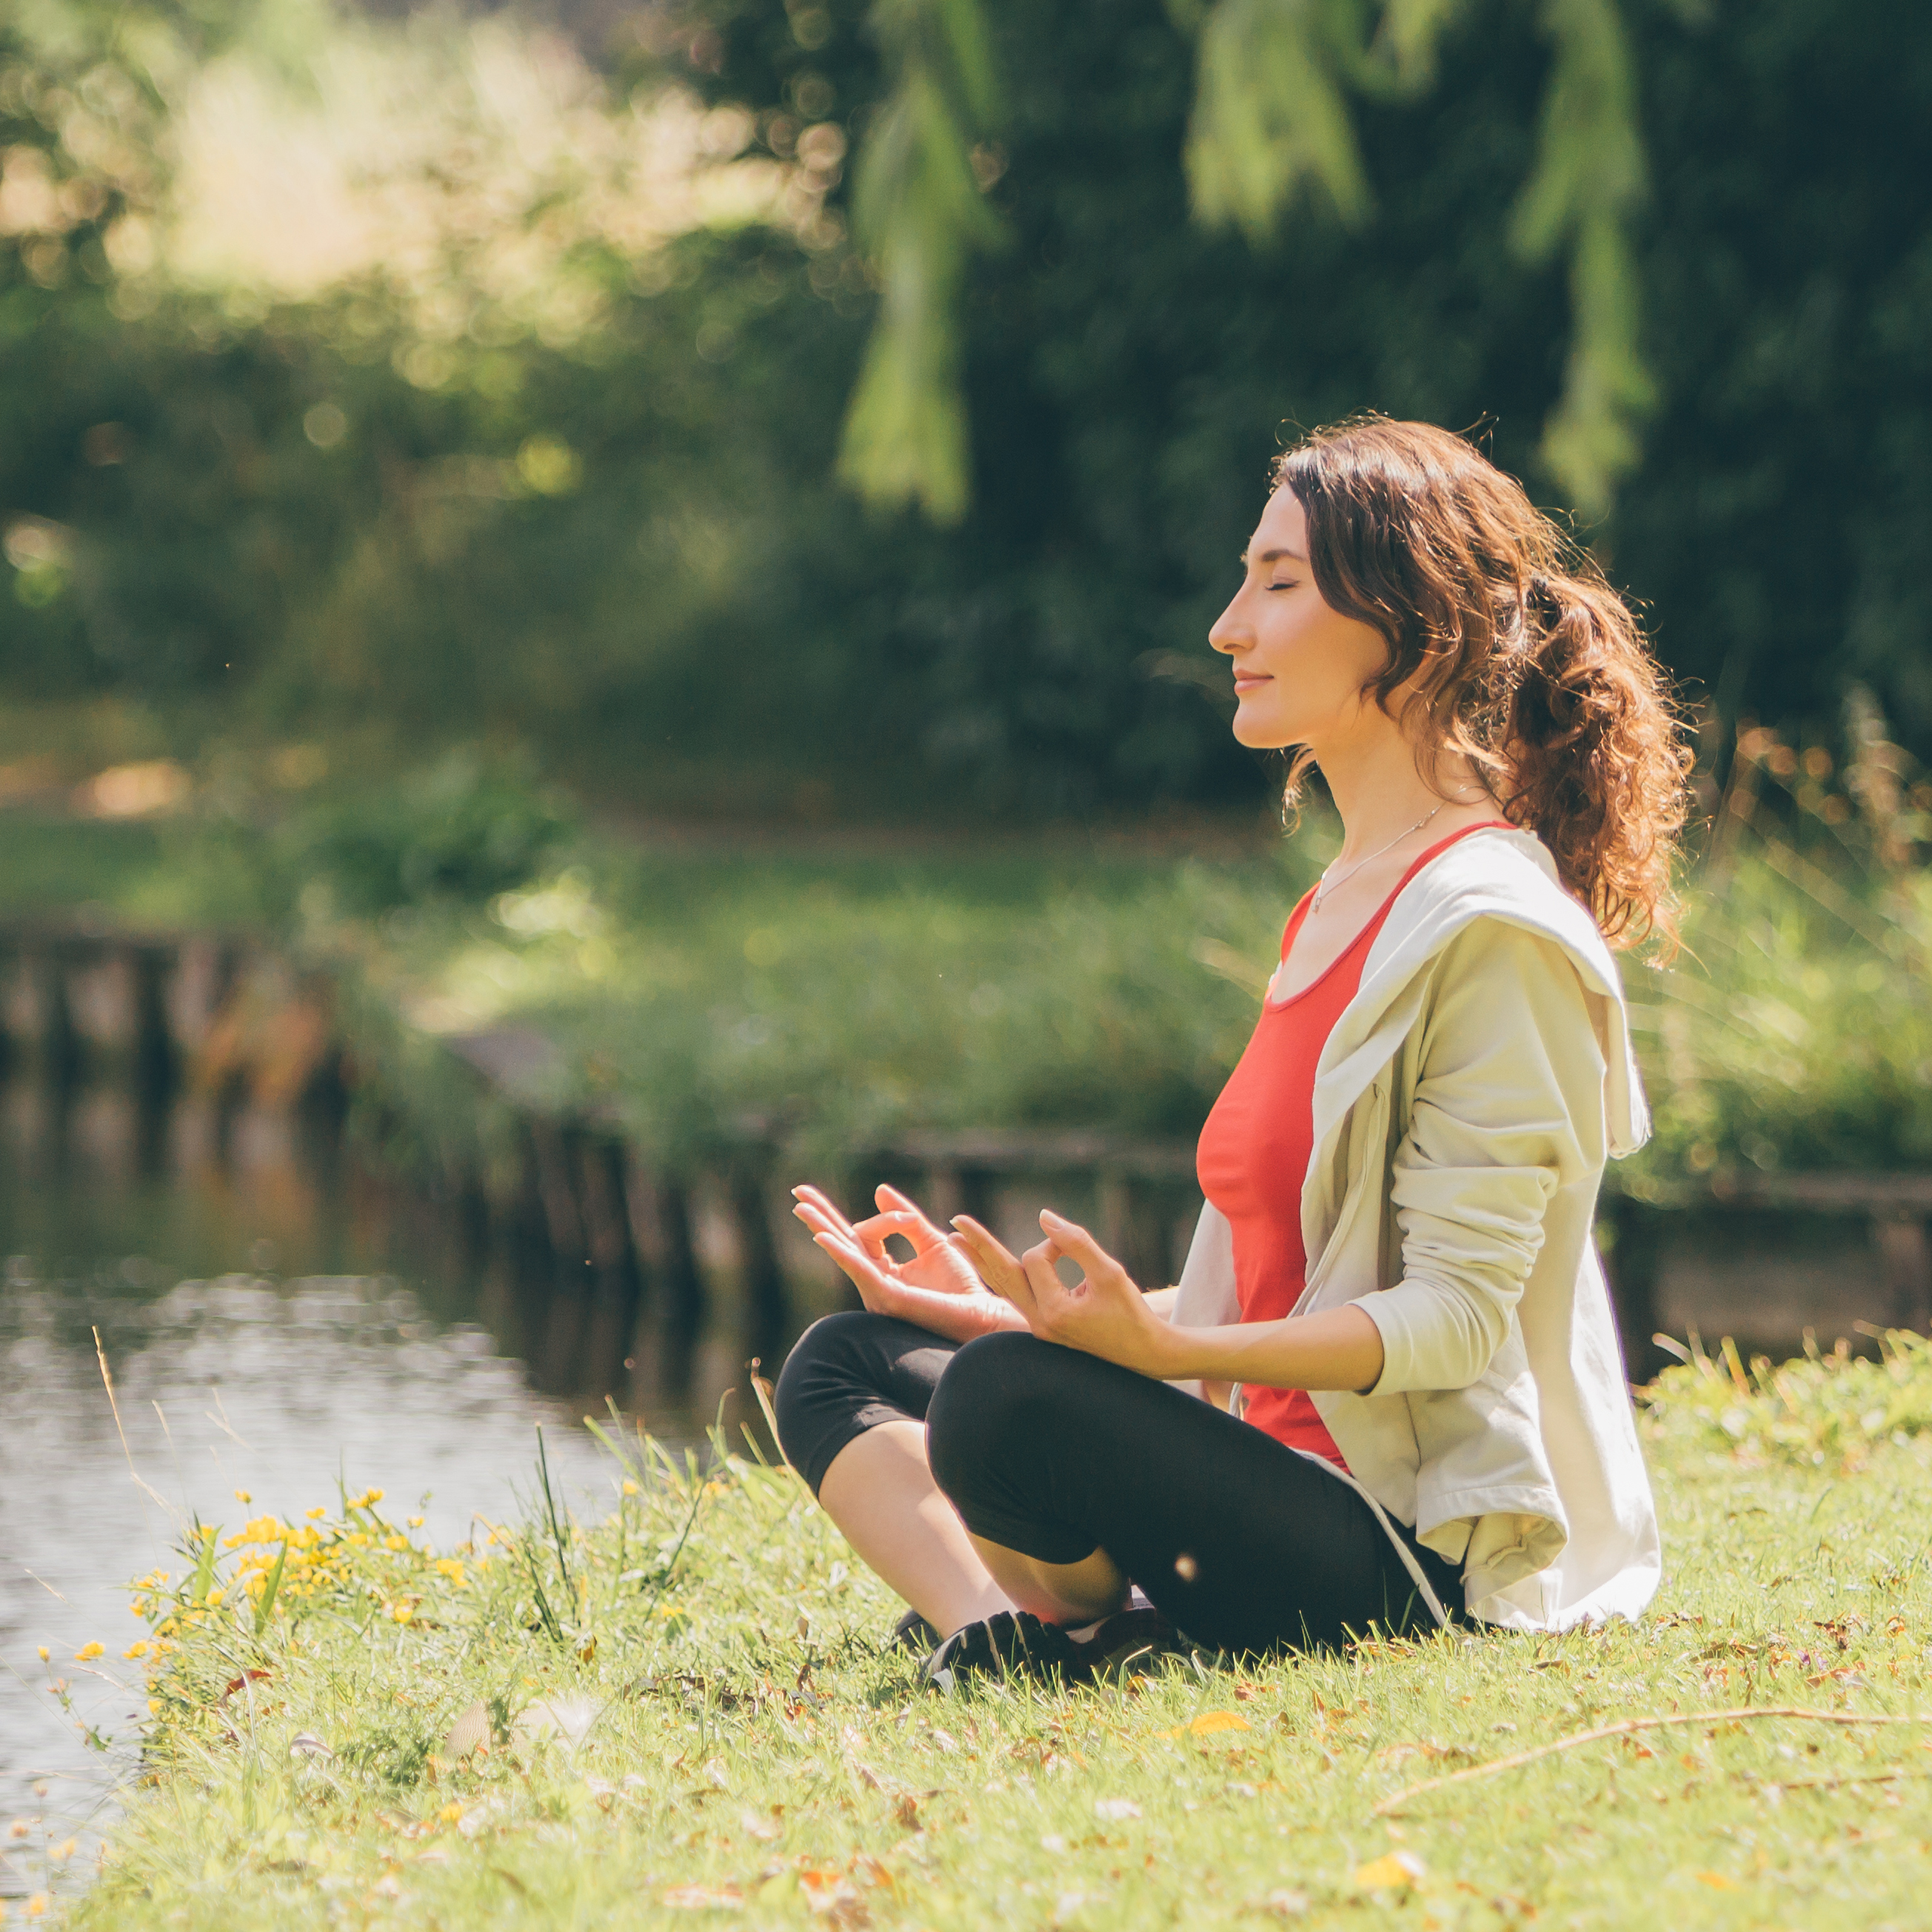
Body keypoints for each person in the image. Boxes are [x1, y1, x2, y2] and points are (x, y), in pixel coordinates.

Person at [773, 415, 1691, 1684]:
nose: (1227, 627)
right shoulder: (1335, 906)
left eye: (1275, 583)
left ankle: (1077, 1622)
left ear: (1407, 620)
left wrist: (1164, 1358)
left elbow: (1454, 1321)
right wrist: (1032, 1315)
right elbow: (1275, 1290)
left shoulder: (1491, 929)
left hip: (1400, 1548)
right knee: (850, 1363)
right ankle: (1013, 1626)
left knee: (1003, 1405)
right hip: (1246, 1466)